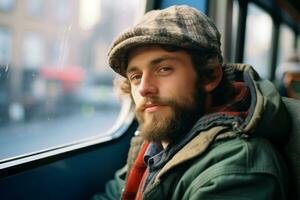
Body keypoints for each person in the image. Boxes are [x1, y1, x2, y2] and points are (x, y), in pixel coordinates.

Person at [92, 5, 295, 200]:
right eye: (135, 76)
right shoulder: (157, 142)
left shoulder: (238, 167)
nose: (144, 88)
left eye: (163, 69)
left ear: (210, 77)